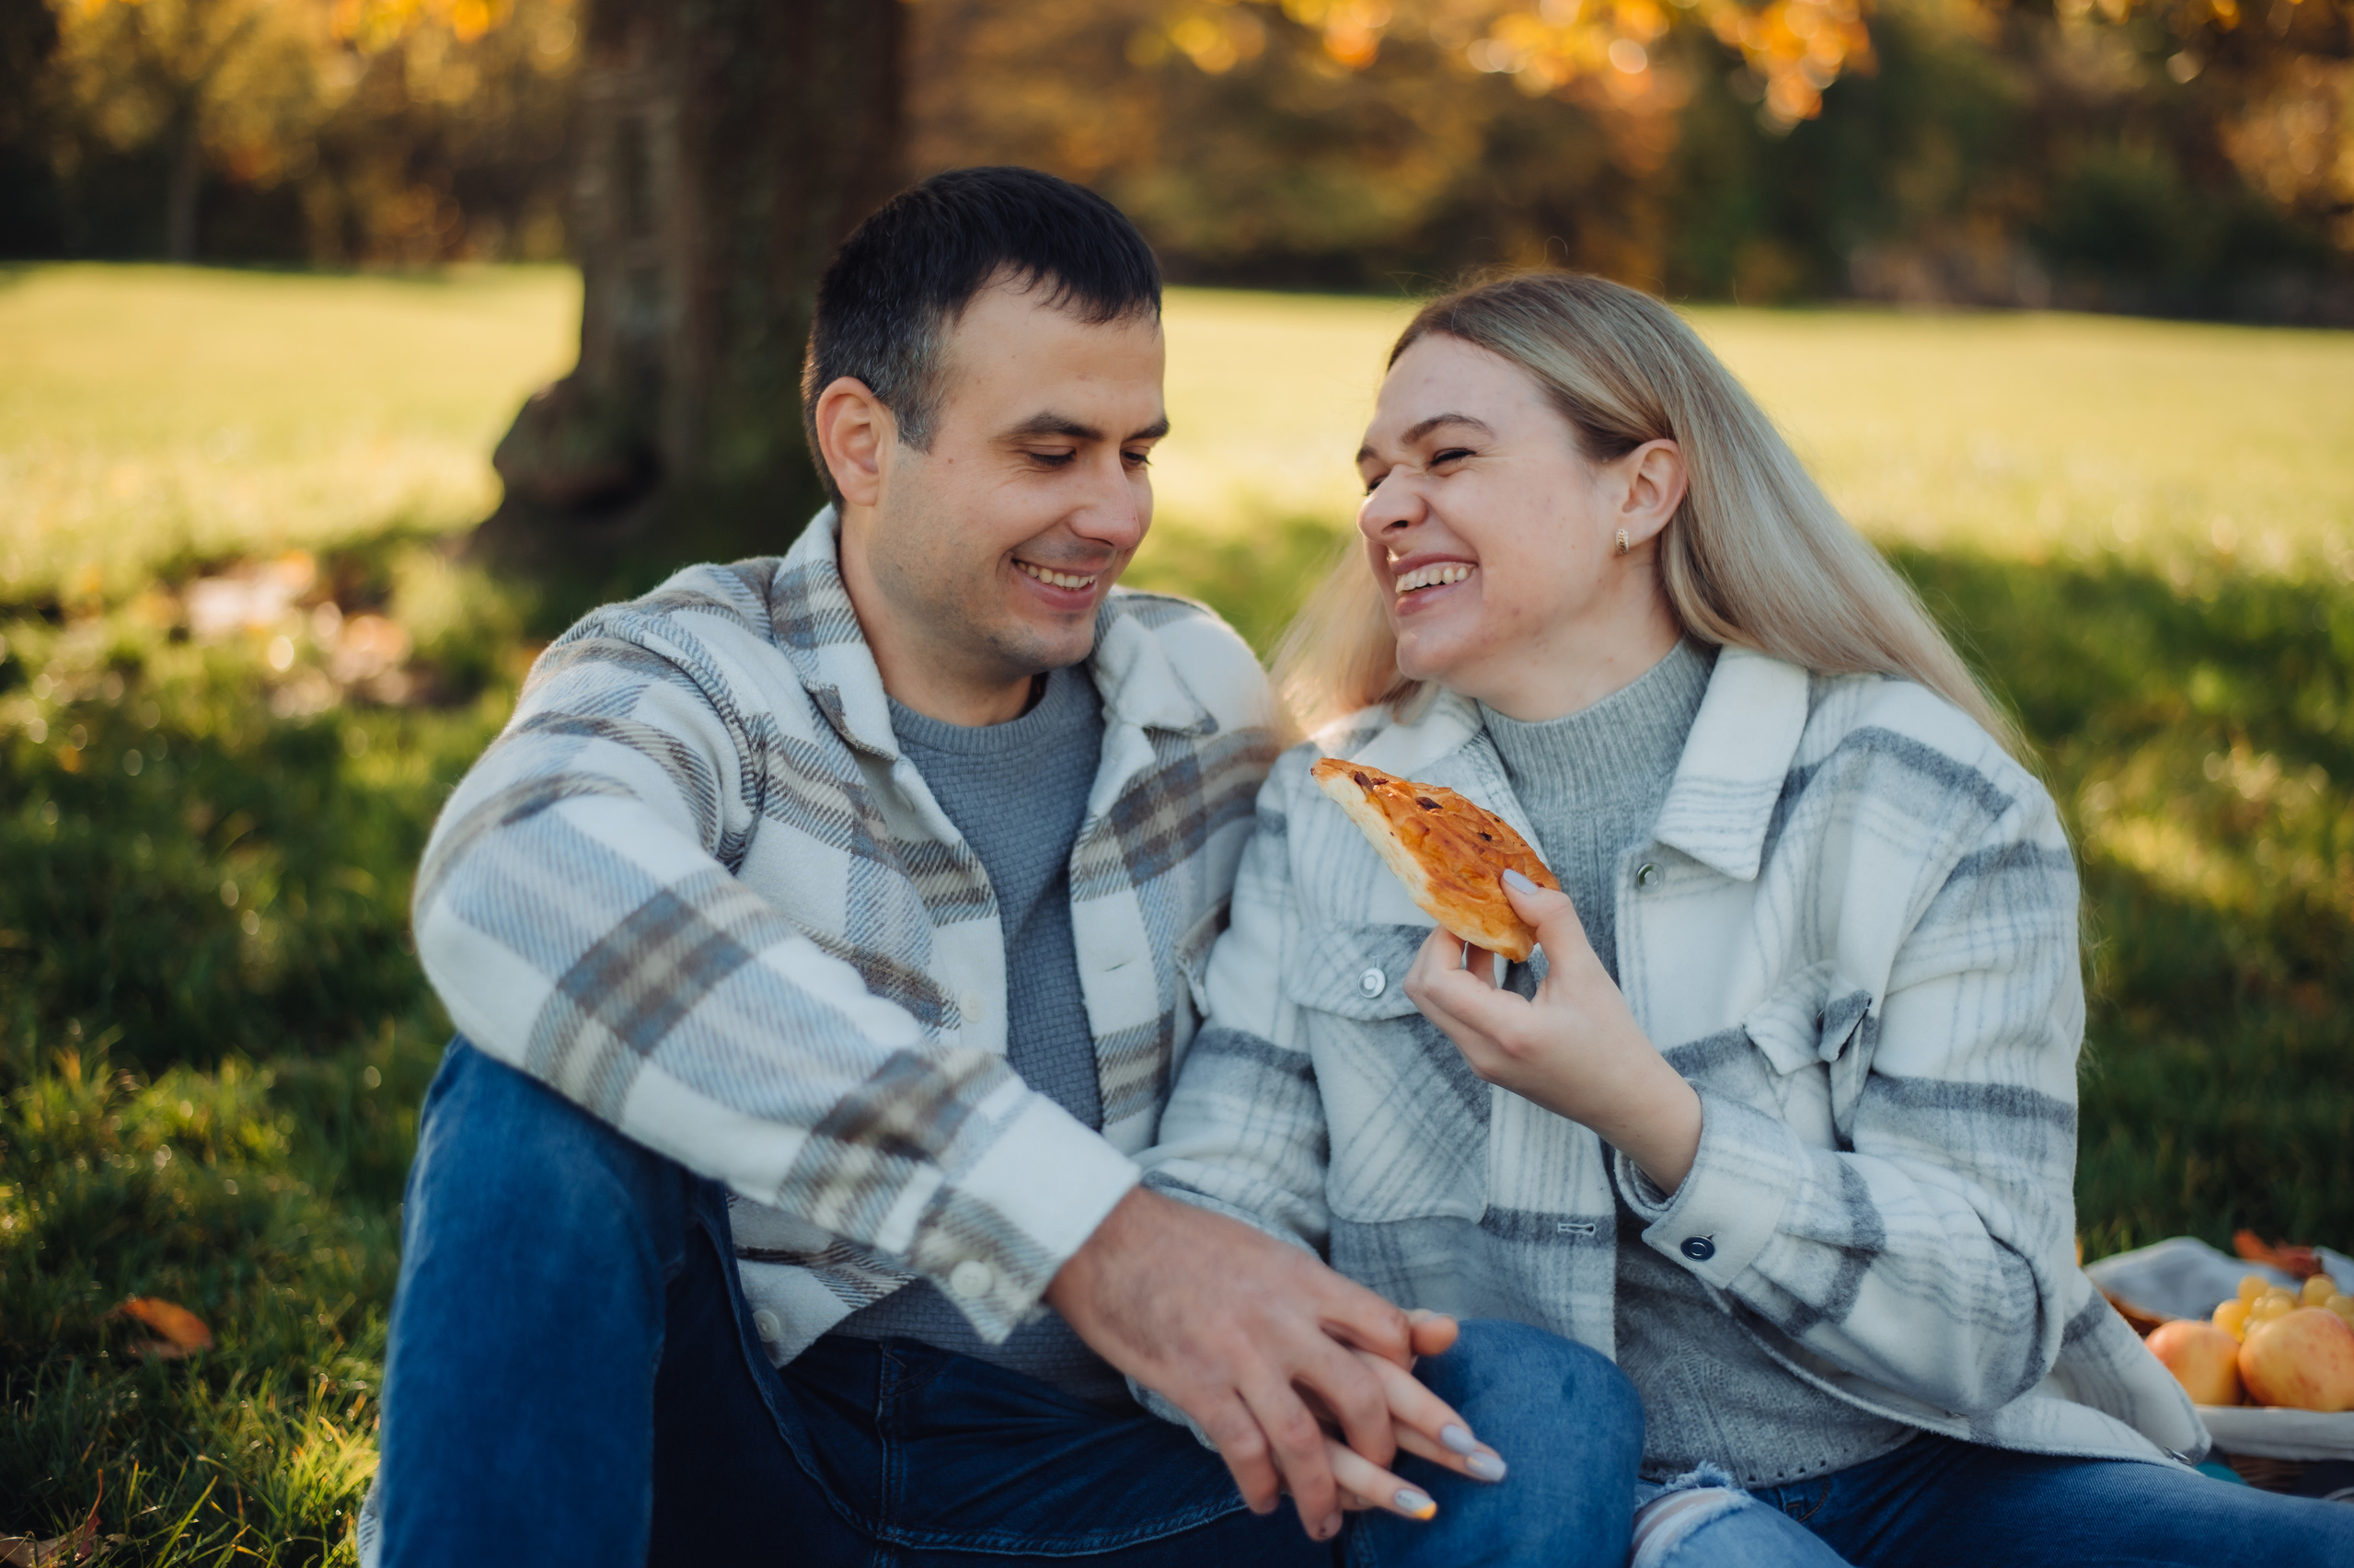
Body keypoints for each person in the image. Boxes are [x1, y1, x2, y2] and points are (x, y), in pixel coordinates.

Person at [363, 170, 1644, 1568]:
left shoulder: (1198, 693)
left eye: (1135, 453)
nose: (1113, 514)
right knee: (527, 1095)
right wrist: (1087, 1234)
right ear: (861, 442)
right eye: (1049, 453)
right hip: (742, 1449)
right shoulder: (694, 672)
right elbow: (513, 872)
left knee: (1539, 1415)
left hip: (1101, 1483)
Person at [1138, 269, 2354, 1566]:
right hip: (1617, 1505)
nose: (1384, 508)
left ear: (1642, 492)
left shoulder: (1925, 796)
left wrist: (1656, 1120)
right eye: (1375, 473)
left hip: (1950, 1462)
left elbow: (1996, 1317)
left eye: (1448, 457)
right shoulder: (1335, 817)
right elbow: (1223, 1212)